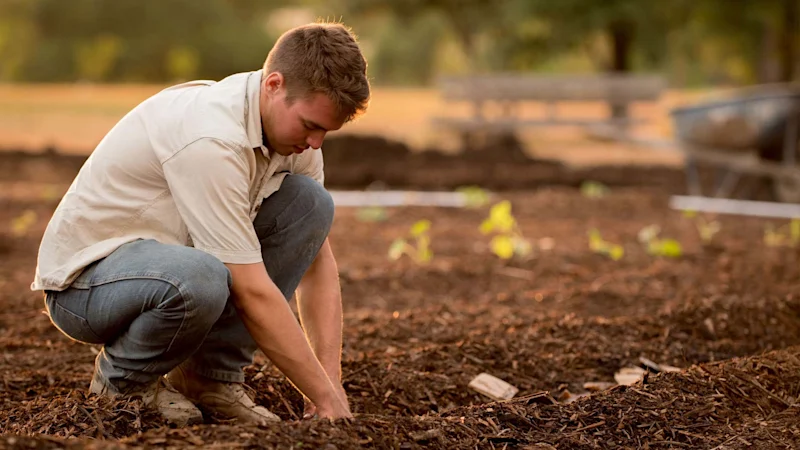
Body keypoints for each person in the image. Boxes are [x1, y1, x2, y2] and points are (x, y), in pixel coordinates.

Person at [31, 22, 370, 427]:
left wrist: (331, 383)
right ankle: (123, 383)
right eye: (310, 125)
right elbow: (251, 291)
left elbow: (316, 263)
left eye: (326, 131)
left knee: (310, 204)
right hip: (86, 285)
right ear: (274, 85)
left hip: (171, 266)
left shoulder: (293, 139)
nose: (316, 143)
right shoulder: (211, 138)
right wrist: (319, 394)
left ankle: (209, 378)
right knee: (203, 276)